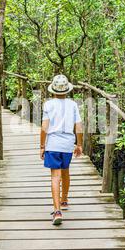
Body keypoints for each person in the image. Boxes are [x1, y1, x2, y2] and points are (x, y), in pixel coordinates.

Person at [40, 74, 83, 225]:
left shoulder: (48, 104)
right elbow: (78, 127)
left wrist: (42, 146)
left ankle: (57, 211)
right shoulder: (73, 105)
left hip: (53, 144)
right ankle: (64, 200)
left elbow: (44, 128)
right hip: (67, 144)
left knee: (55, 177)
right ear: (67, 90)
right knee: (65, 171)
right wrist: (79, 145)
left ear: (53, 90)